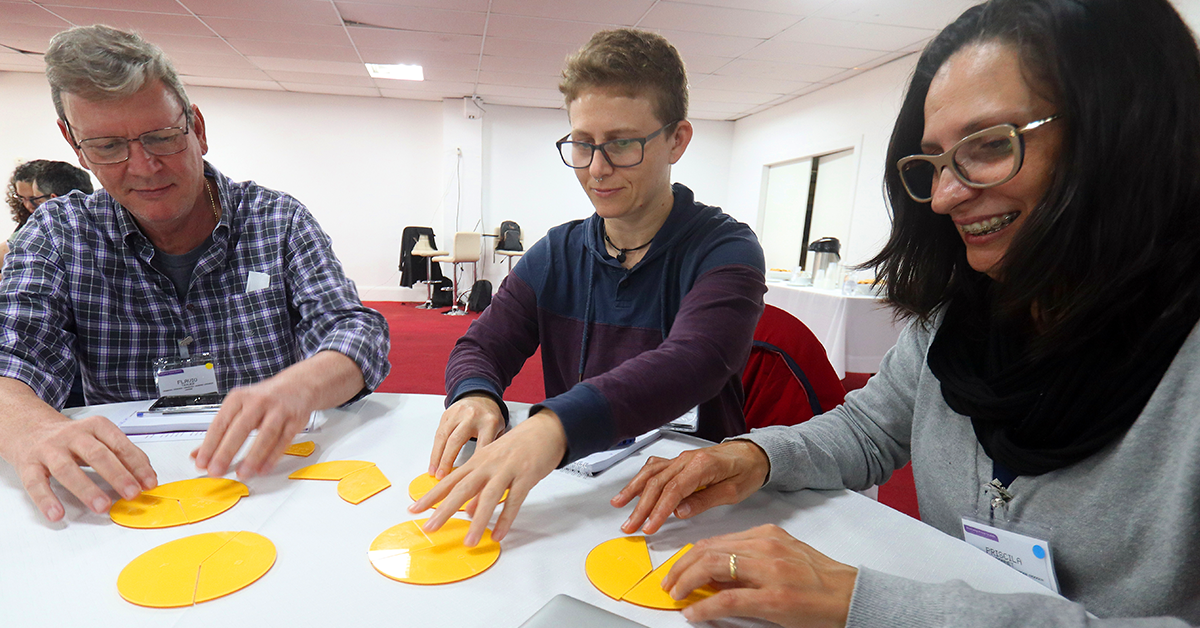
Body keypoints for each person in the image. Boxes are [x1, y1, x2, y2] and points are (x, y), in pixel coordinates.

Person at [612, 0, 1200, 626]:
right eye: (935, 164)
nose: (946, 196)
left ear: (1125, 131)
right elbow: (869, 430)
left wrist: (871, 604)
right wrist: (754, 456)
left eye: (991, 145)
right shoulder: (957, 320)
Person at [0, 25, 390, 524]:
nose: (143, 167)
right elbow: (13, 357)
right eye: (106, 147)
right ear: (74, 146)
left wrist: (300, 386)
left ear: (197, 128)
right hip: (129, 494)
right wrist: (30, 427)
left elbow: (355, 330)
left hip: (268, 485)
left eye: (162, 137)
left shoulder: (277, 220)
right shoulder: (59, 235)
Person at [411, 28, 766, 547]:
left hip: (687, 504)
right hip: (574, 492)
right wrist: (477, 395)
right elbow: (481, 345)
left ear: (677, 140)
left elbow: (695, 360)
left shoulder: (725, 249)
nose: (597, 169)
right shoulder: (556, 254)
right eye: (582, 144)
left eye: (622, 144)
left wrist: (551, 428)